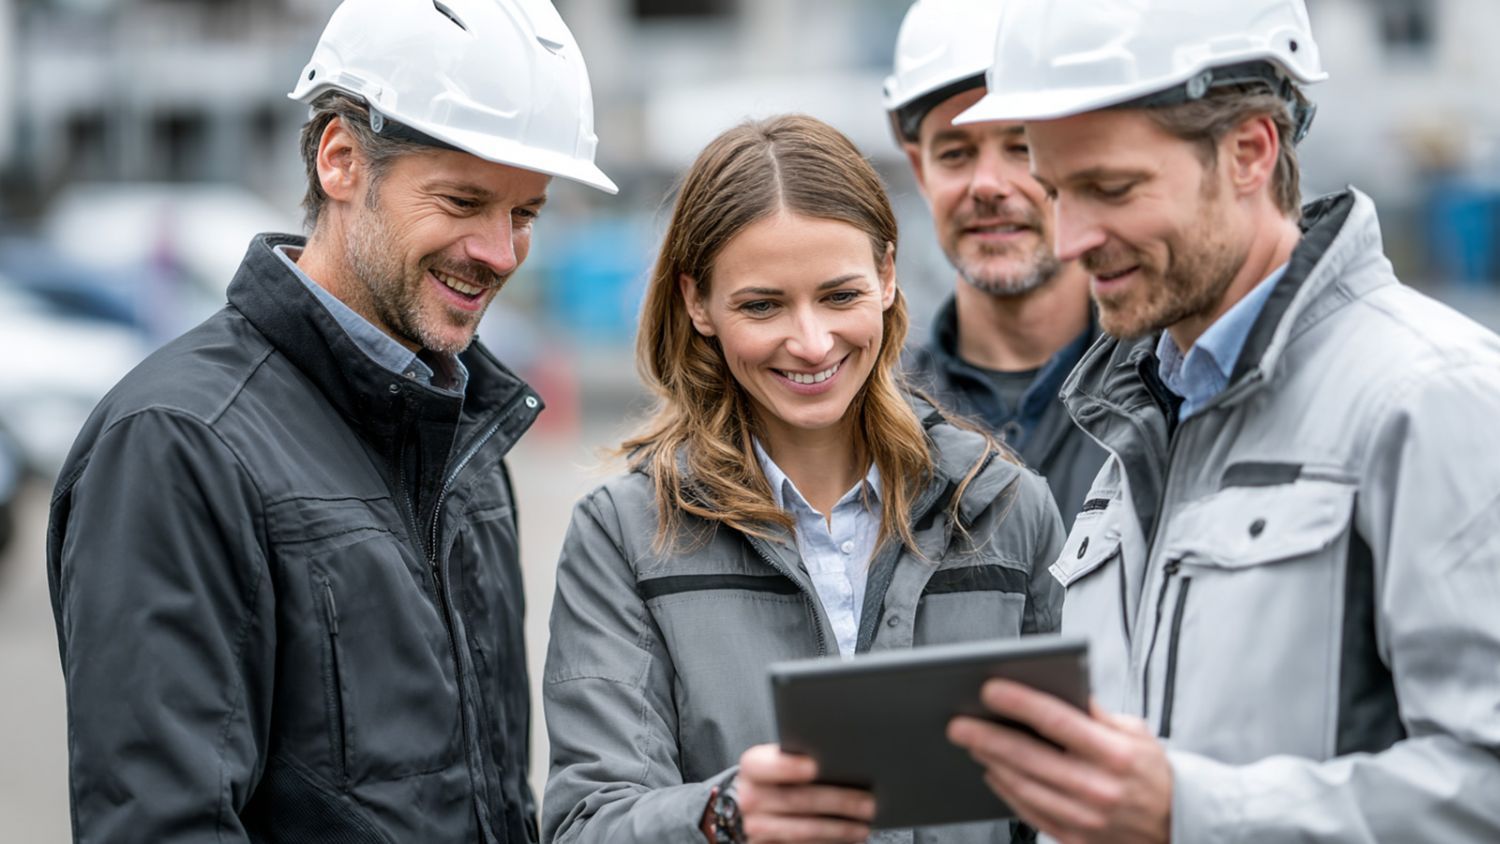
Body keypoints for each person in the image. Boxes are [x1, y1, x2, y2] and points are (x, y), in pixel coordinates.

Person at [45, 0, 615, 840]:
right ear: (341, 159)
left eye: (524, 213)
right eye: (462, 201)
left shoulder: (466, 437)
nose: (500, 252)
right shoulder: (178, 443)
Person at [938, 1, 1500, 841]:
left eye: (1110, 188)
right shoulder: (1135, 418)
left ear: (1248, 151)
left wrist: (1185, 812)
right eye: (1056, 191)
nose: (1069, 237)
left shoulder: (1433, 399)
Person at [541, 114, 1064, 844]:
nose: (812, 342)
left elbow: (1064, 810)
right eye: (763, 305)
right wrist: (727, 813)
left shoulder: (1006, 506)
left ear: (887, 275)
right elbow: (587, 823)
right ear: (698, 303)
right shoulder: (624, 534)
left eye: (839, 296)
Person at [885, 0, 1106, 528]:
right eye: (956, 153)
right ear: (920, 169)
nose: (987, 185)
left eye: (1021, 148)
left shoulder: (1165, 393)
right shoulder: (872, 413)